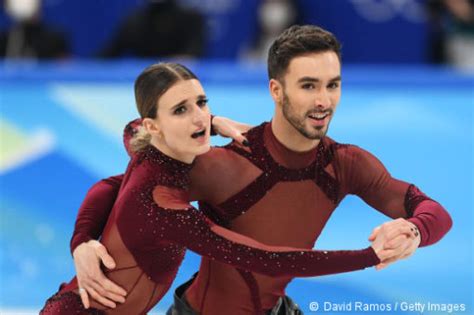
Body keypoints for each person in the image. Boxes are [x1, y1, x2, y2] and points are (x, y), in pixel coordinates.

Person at [70, 25, 453, 315]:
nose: (323, 101)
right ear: (276, 90)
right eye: (308, 86)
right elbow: (121, 182)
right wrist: (83, 242)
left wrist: (414, 232)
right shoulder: (226, 162)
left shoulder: (346, 164)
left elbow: (435, 212)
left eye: (332, 85)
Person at [40, 62, 393, 314]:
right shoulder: (164, 206)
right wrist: (369, 256)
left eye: (202, 103)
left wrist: (83, 240)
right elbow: (265, 257)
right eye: (181, 110)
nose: (198, 116)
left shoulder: (143, 145)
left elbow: (108, 185)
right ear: (155, 125)